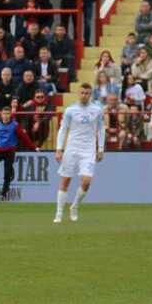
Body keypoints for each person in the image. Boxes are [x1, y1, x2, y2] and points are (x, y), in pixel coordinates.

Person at [53, 83, 105, 223]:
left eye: (87, 93)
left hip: (88, 150)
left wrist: (100, 149)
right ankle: (58, 213)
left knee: (87, 181)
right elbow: (63, 129)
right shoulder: (70, 110)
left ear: (91, 94)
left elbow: (101, 130)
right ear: (78, 93)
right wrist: (59, 149)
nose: (84, 95)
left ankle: (74, 206)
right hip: (71, 148)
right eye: (82, 93)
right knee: (65, 180)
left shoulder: (97, 110)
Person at [0, 106, 38, 201]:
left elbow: (25, 138)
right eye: (4, 114)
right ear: (1, 115)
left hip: (10, 152)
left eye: (7, 114)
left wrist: (34, 148)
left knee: (7, 173)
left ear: (10, 115)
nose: (6, 116)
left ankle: (3, 194)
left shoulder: (15, 125)